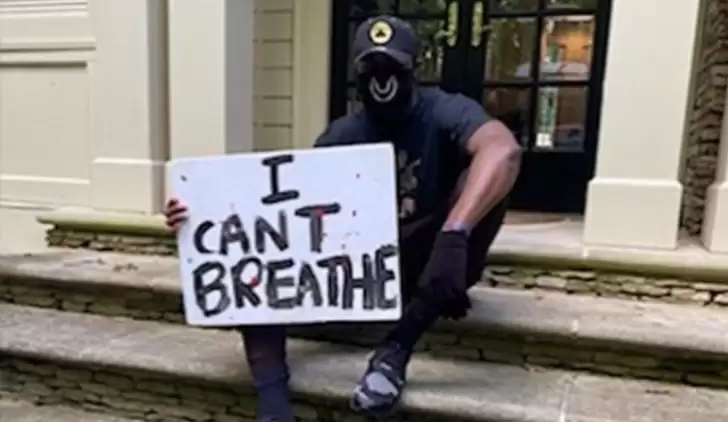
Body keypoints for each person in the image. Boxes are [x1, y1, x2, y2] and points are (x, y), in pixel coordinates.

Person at [164, 15, 521, 422]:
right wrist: (200, 216)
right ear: (357, 75)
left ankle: (394, 352)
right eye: (371, 69)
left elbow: (502, 150)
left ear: (413, 71)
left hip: (431, 256)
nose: (382, 80)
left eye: (392, 68)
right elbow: (286, 217)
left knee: (485, 185)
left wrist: (455, 235)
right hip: (360, 268)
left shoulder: (444, 110)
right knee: (259, 257)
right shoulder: (340, 136)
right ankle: (274, 409)